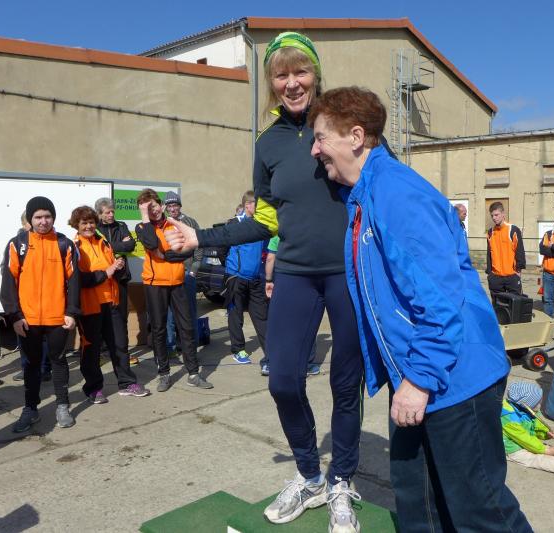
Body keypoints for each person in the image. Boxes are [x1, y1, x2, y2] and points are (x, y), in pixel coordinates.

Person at [163, 33, 366, 531]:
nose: (292, 83)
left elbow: (381, 187)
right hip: (294, 272)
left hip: (347, 273)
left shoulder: (343, 124)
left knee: (345, 382)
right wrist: (202, 237)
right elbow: (264, 219)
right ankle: (309, 475)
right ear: (271, 83)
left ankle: (341, 480)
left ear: (316, 74)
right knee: (282, 380)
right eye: (281, 74)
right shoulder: (267, 143)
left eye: (301, 71)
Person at [306, 86, 531, 532]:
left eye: (320, 137)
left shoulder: (396, 194)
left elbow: (440, 298)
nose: (314, 150)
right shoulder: (366, 195)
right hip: (414, 374)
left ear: (356, 137)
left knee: (479, 512)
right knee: (419, 503)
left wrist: (421, 378)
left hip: (453, 376)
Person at [1, 196, 81, 432]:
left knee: (59, 361)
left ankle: (62, 405)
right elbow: (9, 282)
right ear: (30, 219)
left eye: (47, 216)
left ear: (53, 218)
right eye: (38, 217)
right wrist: (14, 316)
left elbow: (74, 282)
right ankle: (30, 409)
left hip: (58, 318)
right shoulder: (18, 244)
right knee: (31, 365)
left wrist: (71, 312)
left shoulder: (65, 244)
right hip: (28, 319)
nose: (43, 221)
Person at [135, 188, 212, 392]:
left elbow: (186, 252)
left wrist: (165, 255)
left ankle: (193, 373)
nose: (153, 210)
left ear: (161, 205)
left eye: (154, 205)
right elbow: (151, 243)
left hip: (178, 281)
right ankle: (164, 374)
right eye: (148, 208)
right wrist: (145, 218)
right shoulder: (142, 227)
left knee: (186, 327)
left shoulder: (174, 224)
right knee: (159, 329)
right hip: (155, 284)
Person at [71, 206, 150, 401]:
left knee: (120, 345)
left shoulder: (103, 242)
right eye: (84, 223)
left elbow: (112, 265)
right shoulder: (74, 246)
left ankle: (127, 383)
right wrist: (105, 272)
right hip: (90, 306)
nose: (89, 226)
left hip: (112, 302)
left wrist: (117, 266)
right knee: (91, 349)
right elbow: (77, 279)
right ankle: (93, 389)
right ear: (76, 225)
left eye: (91, 222)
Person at [263, 235, 321, 378]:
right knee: (307, 322)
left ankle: (270, 363)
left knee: (277, 324)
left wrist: (268, 280)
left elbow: (270, 258)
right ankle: (307, 364)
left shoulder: (278, 234)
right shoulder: (308, 232)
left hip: (283, 279)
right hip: (305, 280)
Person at [224, 191, 268, 365]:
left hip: (255, 278)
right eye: (257, 204)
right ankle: (238, 349)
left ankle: (271, 352)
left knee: (261, 316)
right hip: (236, 277)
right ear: (248, 205)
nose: (260, 207)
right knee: (236, 314)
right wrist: (231, 267)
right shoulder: (235, 223)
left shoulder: (261, 224)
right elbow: (221, 248)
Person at [95, 197, 138, 366]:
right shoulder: (95, 229)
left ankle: (123, 354)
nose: (111, 215)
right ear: (99, 214)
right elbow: (98, 250)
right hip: (102, 280)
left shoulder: (121, 226)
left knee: (121, 318)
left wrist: (111, 246)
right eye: (107, 212)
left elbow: (131, 245)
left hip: (120, 278)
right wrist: (120, 245)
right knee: (99, 318)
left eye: (113, 211)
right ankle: (99, 353)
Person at [11, 211, 52, 382]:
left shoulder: (55, 241)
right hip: (26, 301)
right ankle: (26, 368)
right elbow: (9, 270)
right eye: (31, 221)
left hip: (48, 300)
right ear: (24, 224)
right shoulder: (17, 243)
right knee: (24, 337)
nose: (40, 223)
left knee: (45, 340)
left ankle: (45, 368)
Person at [163, 192, 202, 355]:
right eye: (169, 206)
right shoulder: (162, 223)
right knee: (170, 314)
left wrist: (193, 270)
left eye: (175, 205)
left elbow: (199, 247)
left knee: (189, 312)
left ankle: (191, 346)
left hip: (187, 274)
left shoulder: (190, 222)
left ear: (180, 206)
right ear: (166, 208)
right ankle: (170, 347)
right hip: (169, 274)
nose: (172, 209)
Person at [486, 201, 525, 298]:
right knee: (497, 305)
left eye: (496, 215)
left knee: (514, 305)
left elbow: (520, 251)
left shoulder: (513, 230)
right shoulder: (490, 232)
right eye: (492, 215)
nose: (494, 218)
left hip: (512, 276)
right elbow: (489, 254)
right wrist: (490, 273)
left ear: (503, 214)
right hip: (495, 277)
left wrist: (518, 271)